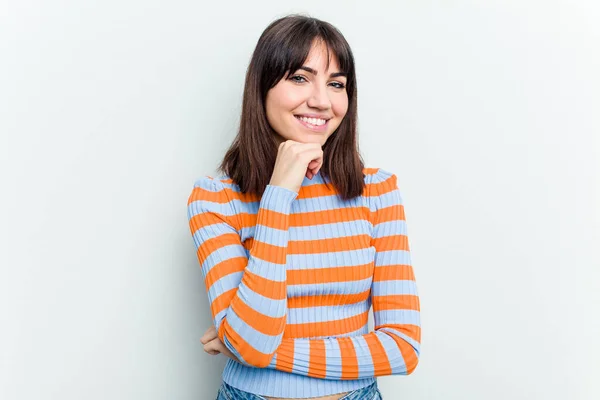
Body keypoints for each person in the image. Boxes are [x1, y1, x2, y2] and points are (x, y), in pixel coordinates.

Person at [186, 14, 421, 400]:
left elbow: (402, 347)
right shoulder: (216, 199)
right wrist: (278, 195)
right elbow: (251, 341)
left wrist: (252, 350)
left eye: (336, 84)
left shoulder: (377, 191)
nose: (321, 100)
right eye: (299, 77)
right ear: (261, 87)